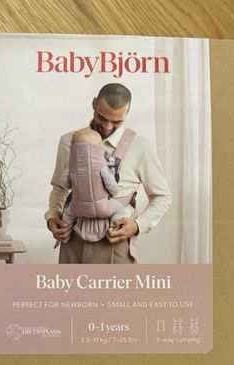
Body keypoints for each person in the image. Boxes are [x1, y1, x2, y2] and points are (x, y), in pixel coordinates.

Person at [45, 83, 172, 264]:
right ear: (94, 103)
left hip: (115, 245)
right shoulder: (69, 141)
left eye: (116, 122)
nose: (107, 126)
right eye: (102, 117)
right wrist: (53, 217)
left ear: (127, 112)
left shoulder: (141, 147)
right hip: (72, 241)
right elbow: (60, 188)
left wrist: (137, 225)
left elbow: (163, 196)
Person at [59, 126, 126, 229]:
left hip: (77, 207)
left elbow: (65, 184)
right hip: (102, 207)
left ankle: (64, 228)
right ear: (99, 148)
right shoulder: (102, 168)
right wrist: (114, 192)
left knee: (68, 214)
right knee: (119, 209)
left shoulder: (71, 167)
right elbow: (113, 187)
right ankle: (114, 228)